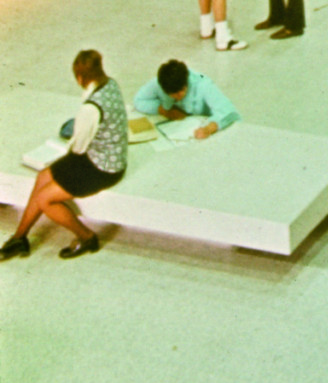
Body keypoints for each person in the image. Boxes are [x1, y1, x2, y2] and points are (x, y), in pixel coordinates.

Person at [1, 50, 127, 261]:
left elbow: (78, 148)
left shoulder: (91, 107)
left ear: (80, 77)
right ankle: (19, 237)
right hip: (107, 156)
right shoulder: (111, 84)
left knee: (45, 199)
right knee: (43, 176)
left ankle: (87, 237)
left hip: (102, 168)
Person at [133, 59, 240, 138]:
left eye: (181, 92)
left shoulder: (202, 84)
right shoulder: (160, 83)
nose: (177, 97)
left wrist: (209, 128)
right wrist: (163, 110)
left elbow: (229, 111)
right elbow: (139, 100)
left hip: (210, 129)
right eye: (172, 95)